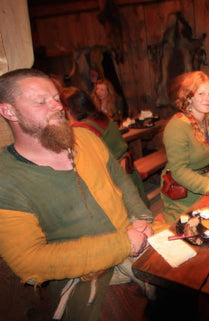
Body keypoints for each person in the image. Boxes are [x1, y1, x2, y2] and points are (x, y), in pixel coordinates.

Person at [0, 69, 155, 320]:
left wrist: (141, 218)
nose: (57, 107)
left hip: (138, 239)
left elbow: (121, 180)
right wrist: (123, 244)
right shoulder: (5, 177)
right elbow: (28, 262)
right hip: (89, 279)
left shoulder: (84, 137)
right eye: (41, 101)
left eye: (56, 98)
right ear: (9, 111)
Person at [161, 71, 209, 223]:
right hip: (184, 192)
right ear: (189, 96)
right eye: (201, 93)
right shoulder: (177, 126)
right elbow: (178, 171)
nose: (207, 99)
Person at [61, 86, 149, 207]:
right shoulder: (100, 116)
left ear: (67, 110)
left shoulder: (81, 130)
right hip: (129, 173)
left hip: (115, 181)